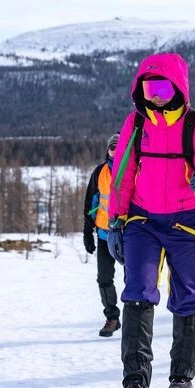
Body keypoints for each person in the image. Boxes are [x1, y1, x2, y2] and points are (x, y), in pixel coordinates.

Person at [107, 53, 195, 388]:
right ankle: (135, 383)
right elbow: (122, 174)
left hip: (186, 221)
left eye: (162, 88)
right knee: (137, 292)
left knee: (187, 295)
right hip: (142, 220)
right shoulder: (136, 123)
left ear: (178, 88)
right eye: (149, 89)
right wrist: (115, 221)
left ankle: (181, 377)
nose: (156, 96)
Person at [83, 133, 122, 337]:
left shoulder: (134, 169)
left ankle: (134, 319)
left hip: (129, 235)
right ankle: (112, 317)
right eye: (112, 147)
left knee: (134, 280)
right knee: (104, 278)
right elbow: (90, 203)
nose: (114, 150)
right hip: (104, 235)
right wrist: (87, 231)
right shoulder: (100, 172)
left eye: (118, 147)